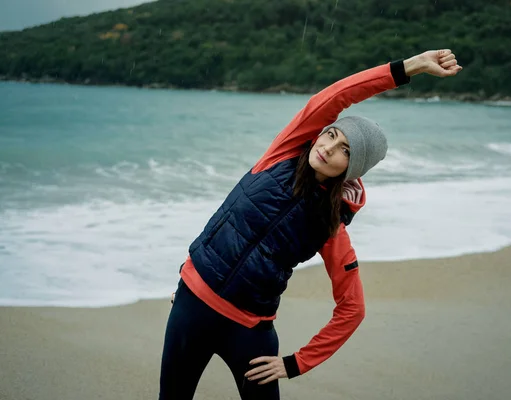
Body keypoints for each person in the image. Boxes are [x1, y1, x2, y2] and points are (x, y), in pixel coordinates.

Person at [159, 49, 463, 400]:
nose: (329, 147)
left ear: (353, 168)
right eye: (332, 134)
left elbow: (352, 309)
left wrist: (295, 363)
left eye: (346, 150)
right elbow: (335, 96)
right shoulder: (283, 153)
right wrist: (407, 67)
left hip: (247, 331)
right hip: (191, 303)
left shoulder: (331, 225)